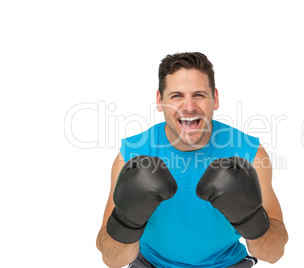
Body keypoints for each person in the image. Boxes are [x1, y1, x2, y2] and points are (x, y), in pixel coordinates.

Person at [96, 52, 288, 268]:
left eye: (198, 95)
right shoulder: (132, 154)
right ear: (160, 101)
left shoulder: (248, 153)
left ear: (215, 99)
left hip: (227, 264)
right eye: (177, 96)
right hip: (151, 263)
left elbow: (274, 253)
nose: (188, 107)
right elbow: (112, 259)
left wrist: (250, 218)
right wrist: (127, 221)